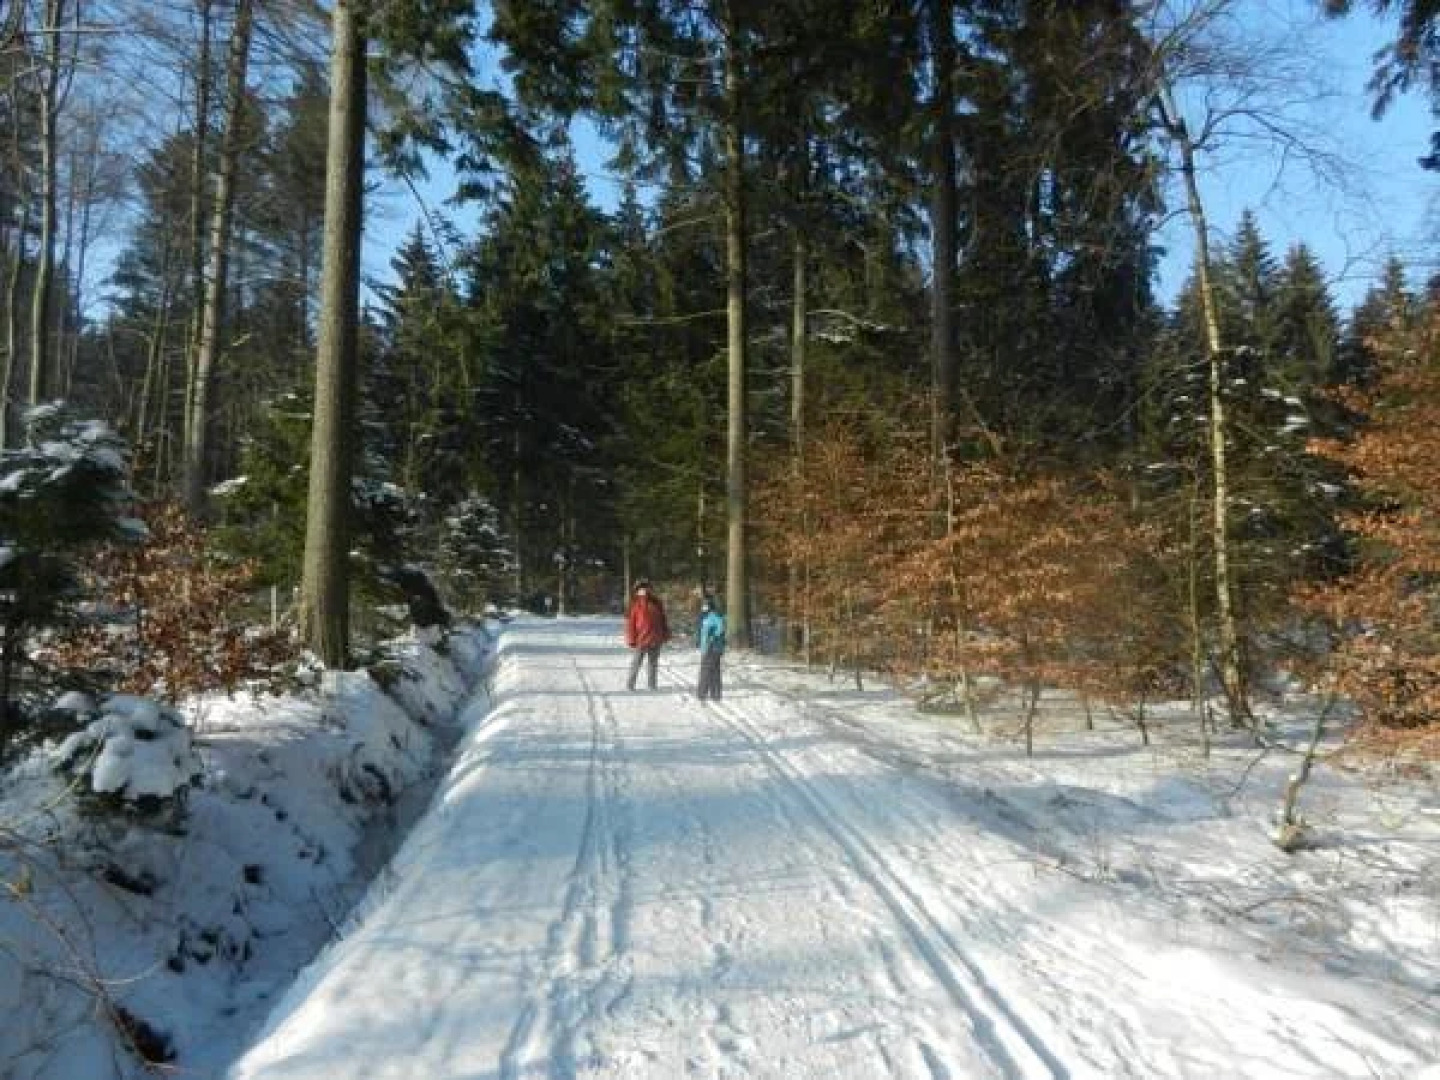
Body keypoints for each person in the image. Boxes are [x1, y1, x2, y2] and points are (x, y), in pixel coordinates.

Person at [624, 580, 670, 690]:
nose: (644, 590)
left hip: (656, 638)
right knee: (636, 663)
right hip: (641, 639)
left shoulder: (657, 603)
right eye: (641, 589)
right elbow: (630, 624)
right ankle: (630, 685)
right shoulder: (634, 604)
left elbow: (663, 620)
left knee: (653, 664)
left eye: (646, 588)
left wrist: (666, 633)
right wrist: (631, 639)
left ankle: (652, 685)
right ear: (637, 591)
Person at [696, 594, 726, 701]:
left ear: (710, 605)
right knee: (714, 671)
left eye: (705, 604)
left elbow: (721, 628)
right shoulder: (704, 616)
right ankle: (716, 694)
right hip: (708, 647)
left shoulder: (714, 615)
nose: (703, 606)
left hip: (713, 647)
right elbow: (701, 631)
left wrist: (712, 636)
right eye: (702, 604)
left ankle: (701, 694)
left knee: (706, 670)